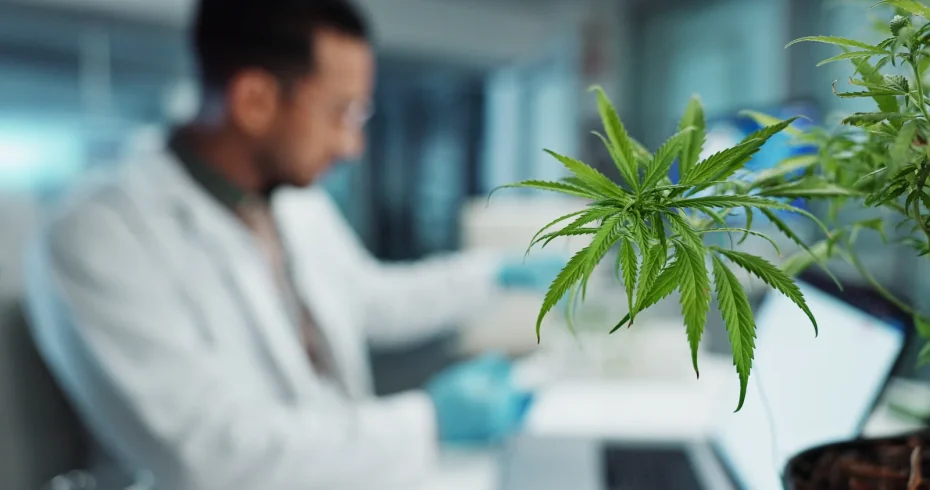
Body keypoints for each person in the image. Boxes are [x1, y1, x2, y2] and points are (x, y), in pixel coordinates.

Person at [21, 1, 566, 489]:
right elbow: (209, 457)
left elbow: (368, 298)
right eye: (340, 113)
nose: (352, 145)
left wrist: (494, 275)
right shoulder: (101, 235)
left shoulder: (290, 201)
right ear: (254, 100)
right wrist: (427, 421)